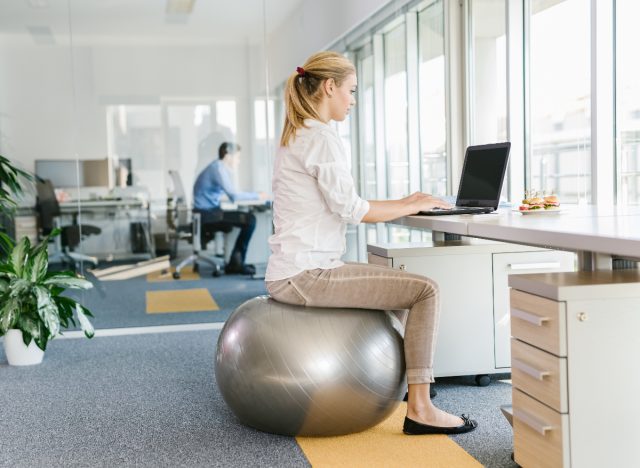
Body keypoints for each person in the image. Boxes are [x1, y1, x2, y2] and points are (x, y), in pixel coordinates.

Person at [265, 51, 477, 435]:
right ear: (329, 87)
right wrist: (408, 205)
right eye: (352, 90)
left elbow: (342, 203)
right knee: (425, 290)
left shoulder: (297, 134)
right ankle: (422, 407)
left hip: (295, 269)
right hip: (305, 274)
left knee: (396, 282)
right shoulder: (321, 137)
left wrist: (408, 203)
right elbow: (350, 209)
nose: (354, 100)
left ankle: (394, 389)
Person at [193, 142, 263, 275]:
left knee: (243, 219)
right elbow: (234, 195)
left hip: (206, 213)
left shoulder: (216, 167)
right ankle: (236, 263)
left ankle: (235, 261)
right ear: (228, 155)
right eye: (237, 157)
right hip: (208, 215)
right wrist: (257, 195)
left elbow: (227, 194)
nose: (239, 161)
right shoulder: (218, 169)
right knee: (250, 220)